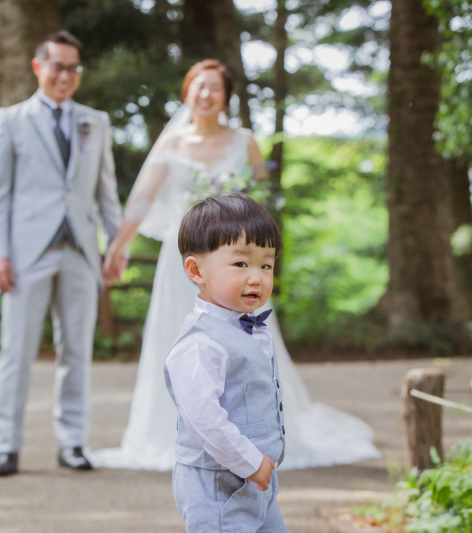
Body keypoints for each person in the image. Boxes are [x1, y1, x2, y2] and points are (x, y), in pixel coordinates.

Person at [92, 60, 380, 471]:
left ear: (226, 97)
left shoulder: (243, 140)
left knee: (245, 336)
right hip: (183, 260)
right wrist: (117, 247)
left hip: (237, 256)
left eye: (215, 88)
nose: (206, 94)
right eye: (199, 86)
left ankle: (254, 431)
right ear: (187, 92)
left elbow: (261, 196)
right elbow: (140, 200)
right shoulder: (172, 144)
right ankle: (171, 432)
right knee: (175, 336)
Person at [0, 30, 123, 476]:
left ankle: (73, 443)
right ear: (38, 67)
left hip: (81, 252)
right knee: (16, 353)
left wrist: (116, 245)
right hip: (26, 255)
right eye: (58, 66)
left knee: (77, 352)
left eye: (73, 68)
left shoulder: (95, 122)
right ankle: (7, 446)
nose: (65, 75)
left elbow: (106, 192)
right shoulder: (9, 120)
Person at [166, 193, 287, 532]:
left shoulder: (251, 329)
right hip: (218, 485)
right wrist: (250, 463)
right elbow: (203, 419)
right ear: (196, 270)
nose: (256, 277)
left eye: (266, 265)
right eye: (241, 264)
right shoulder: (200, 342)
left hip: (258, 479)